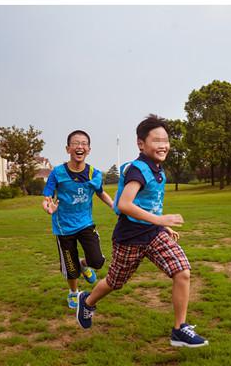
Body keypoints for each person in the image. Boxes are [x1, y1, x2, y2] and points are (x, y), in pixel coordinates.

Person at [76, 115, 208, 348]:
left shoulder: (157, 168)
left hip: (154, 234)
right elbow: (125, 205)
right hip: (130, 238)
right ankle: (87, 301)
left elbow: (149, 203)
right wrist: (160, 219)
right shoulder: (138, 170)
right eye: (156, 140)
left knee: (182, 271)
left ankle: (180, 329)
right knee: (115, 282)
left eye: (166, 140)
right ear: (141, 143)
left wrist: (161, 225)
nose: (163, 145)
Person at [41, 130, 114, 309]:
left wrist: (115, 206)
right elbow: (47, 197)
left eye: (83, 143)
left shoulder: (94, 174)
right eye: (75, 143)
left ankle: (84, 264)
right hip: (63, 227)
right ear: (68, 148)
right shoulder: (57, 173)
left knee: (97, 261)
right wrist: (47, 207)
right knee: (70, 267)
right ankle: (73, 293)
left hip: (85, 224)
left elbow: (100, 192)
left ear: (88, 149)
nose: (79, 146)